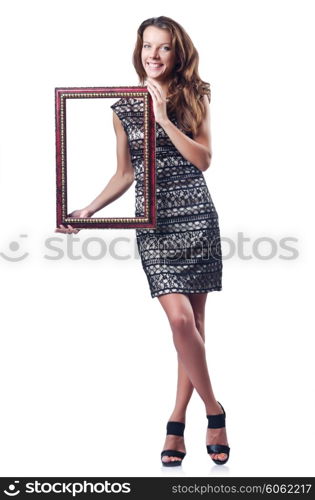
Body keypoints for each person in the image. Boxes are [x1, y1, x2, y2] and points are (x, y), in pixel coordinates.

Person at [55, 15, 230, 467]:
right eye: (148, 46)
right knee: (179, 322)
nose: (154, 55)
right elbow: (126, 173)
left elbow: (204, 159)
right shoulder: (121, 107)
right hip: (152, 223)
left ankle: (176, 420)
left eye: (164, 47)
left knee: (192, 325)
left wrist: (163, 118)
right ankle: (214, 410)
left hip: (195, 217)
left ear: (177, 52)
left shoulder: (195, 95)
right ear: (140, 50)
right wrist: (88, 211)